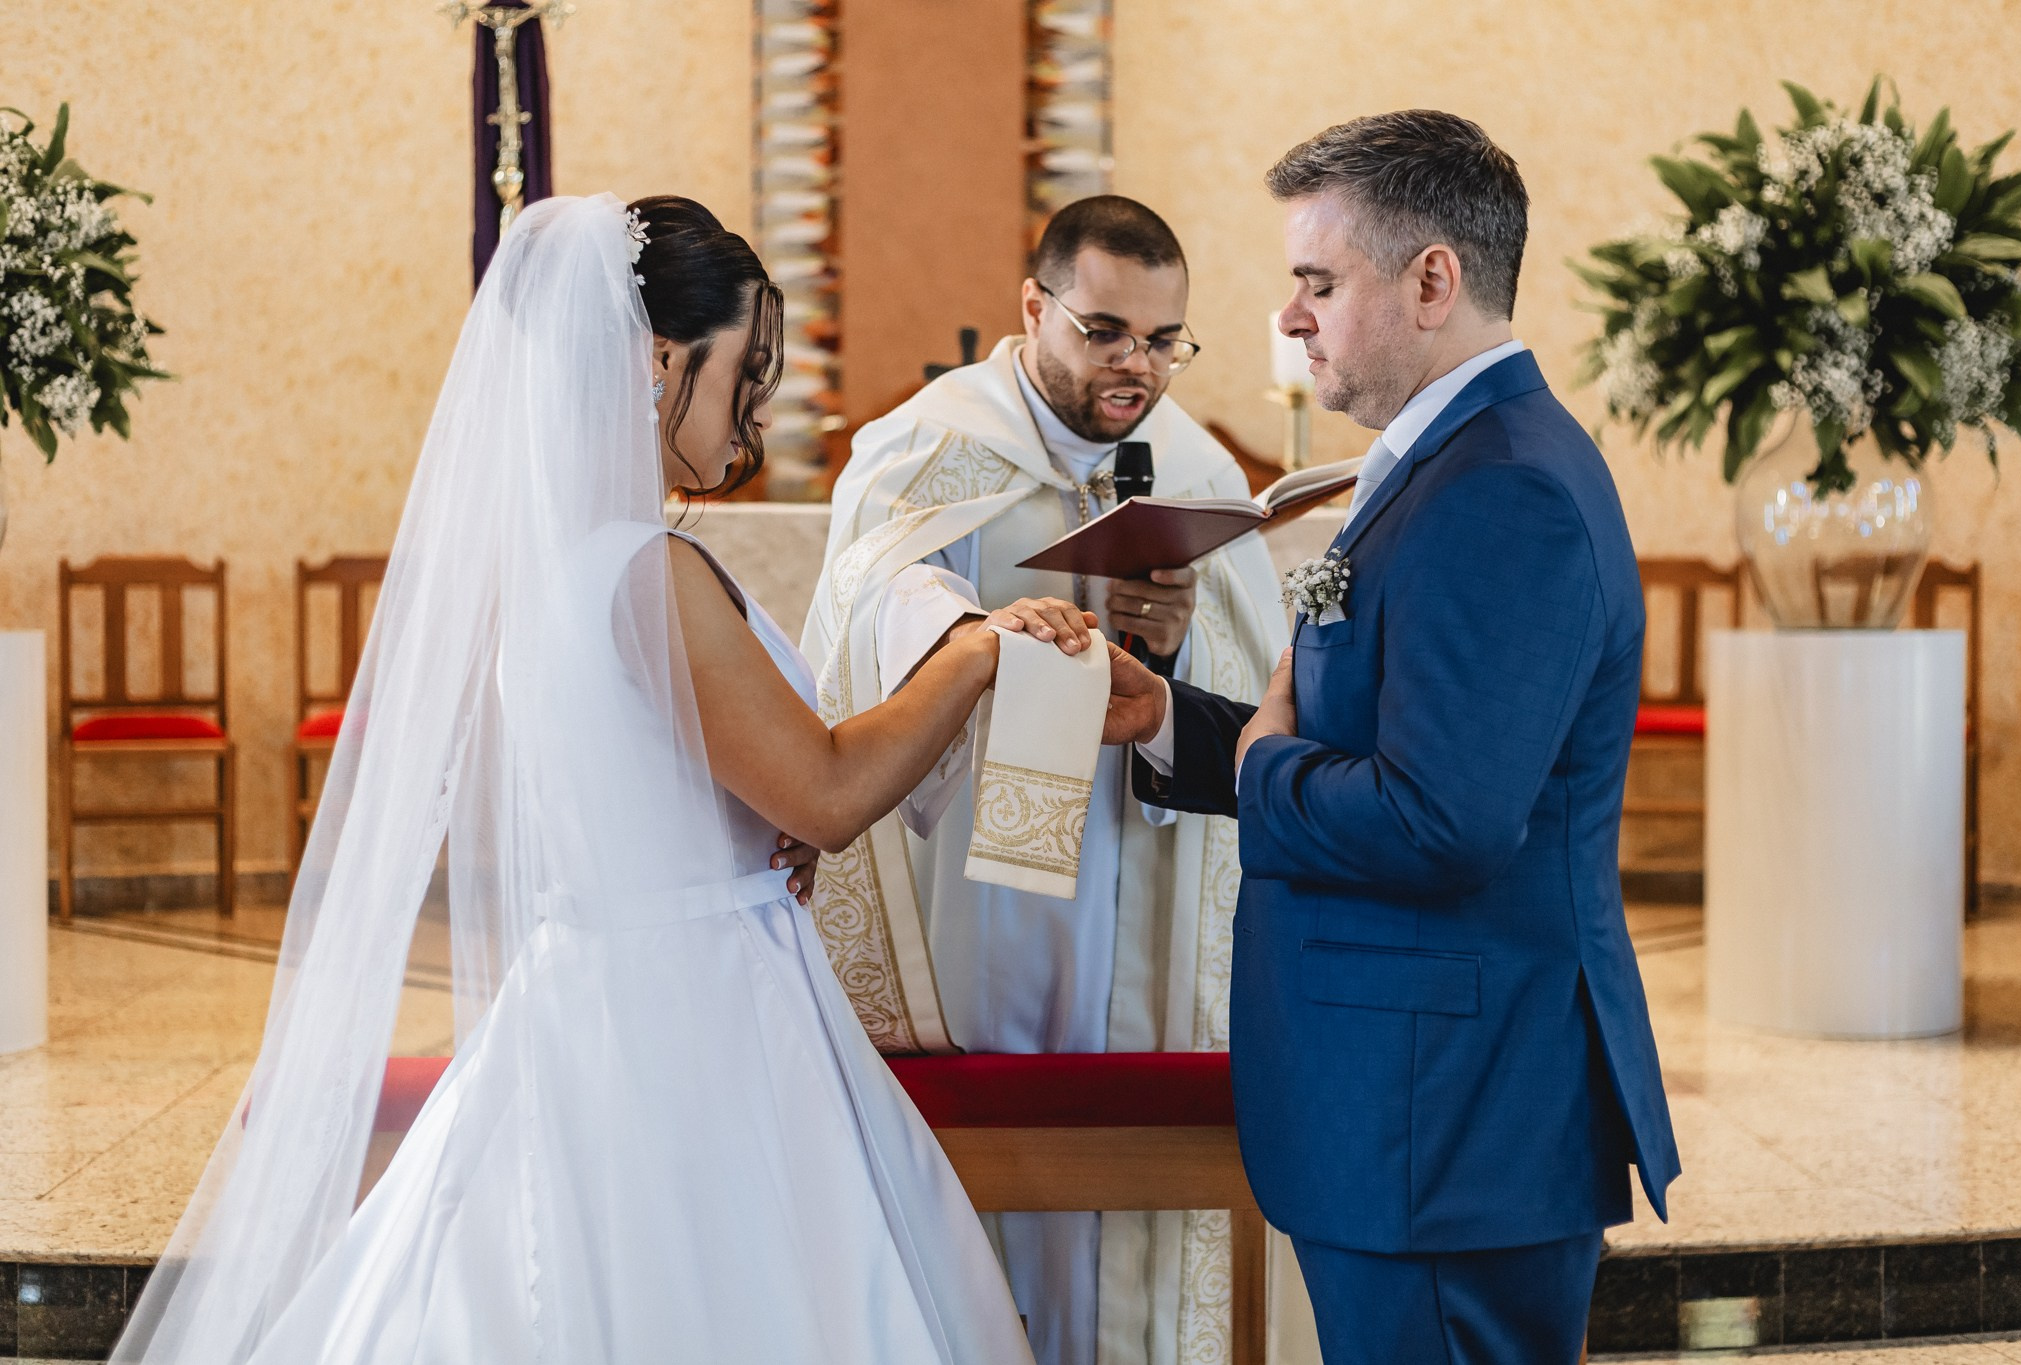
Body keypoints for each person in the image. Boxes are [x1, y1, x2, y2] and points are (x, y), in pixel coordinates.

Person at [109, 193, 1073, 1365]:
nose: (758, 406)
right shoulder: (650, 574)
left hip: (593, 984)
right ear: (661, 359)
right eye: (746, 370)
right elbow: (822, 792)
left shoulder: (560, 569)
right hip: (702, 1009)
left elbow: (671, 791)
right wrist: (975, 651)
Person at [1100, 112, 1681, 1364]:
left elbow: (1444, 821)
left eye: (1316, 281)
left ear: (1431, 280)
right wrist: (1173, 730)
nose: (1292, 316)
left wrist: (1258, 764)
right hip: (1423, 1103)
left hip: (1442, 1119)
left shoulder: (1502, 489)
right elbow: (1374, 737)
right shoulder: (1449, 462)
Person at [801, 195, 1285, 1365]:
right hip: (985, 891)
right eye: (1105, 333)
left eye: (1164, 341)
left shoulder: (1192, 462)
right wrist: (979, 632)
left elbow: (1245, 671)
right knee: (1003, 1160)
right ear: (1033, 308)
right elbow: (871, 604)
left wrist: (1168, 643)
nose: (1137, 368)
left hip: (1138, 877)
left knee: (1126, 1162)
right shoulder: (928, 444)